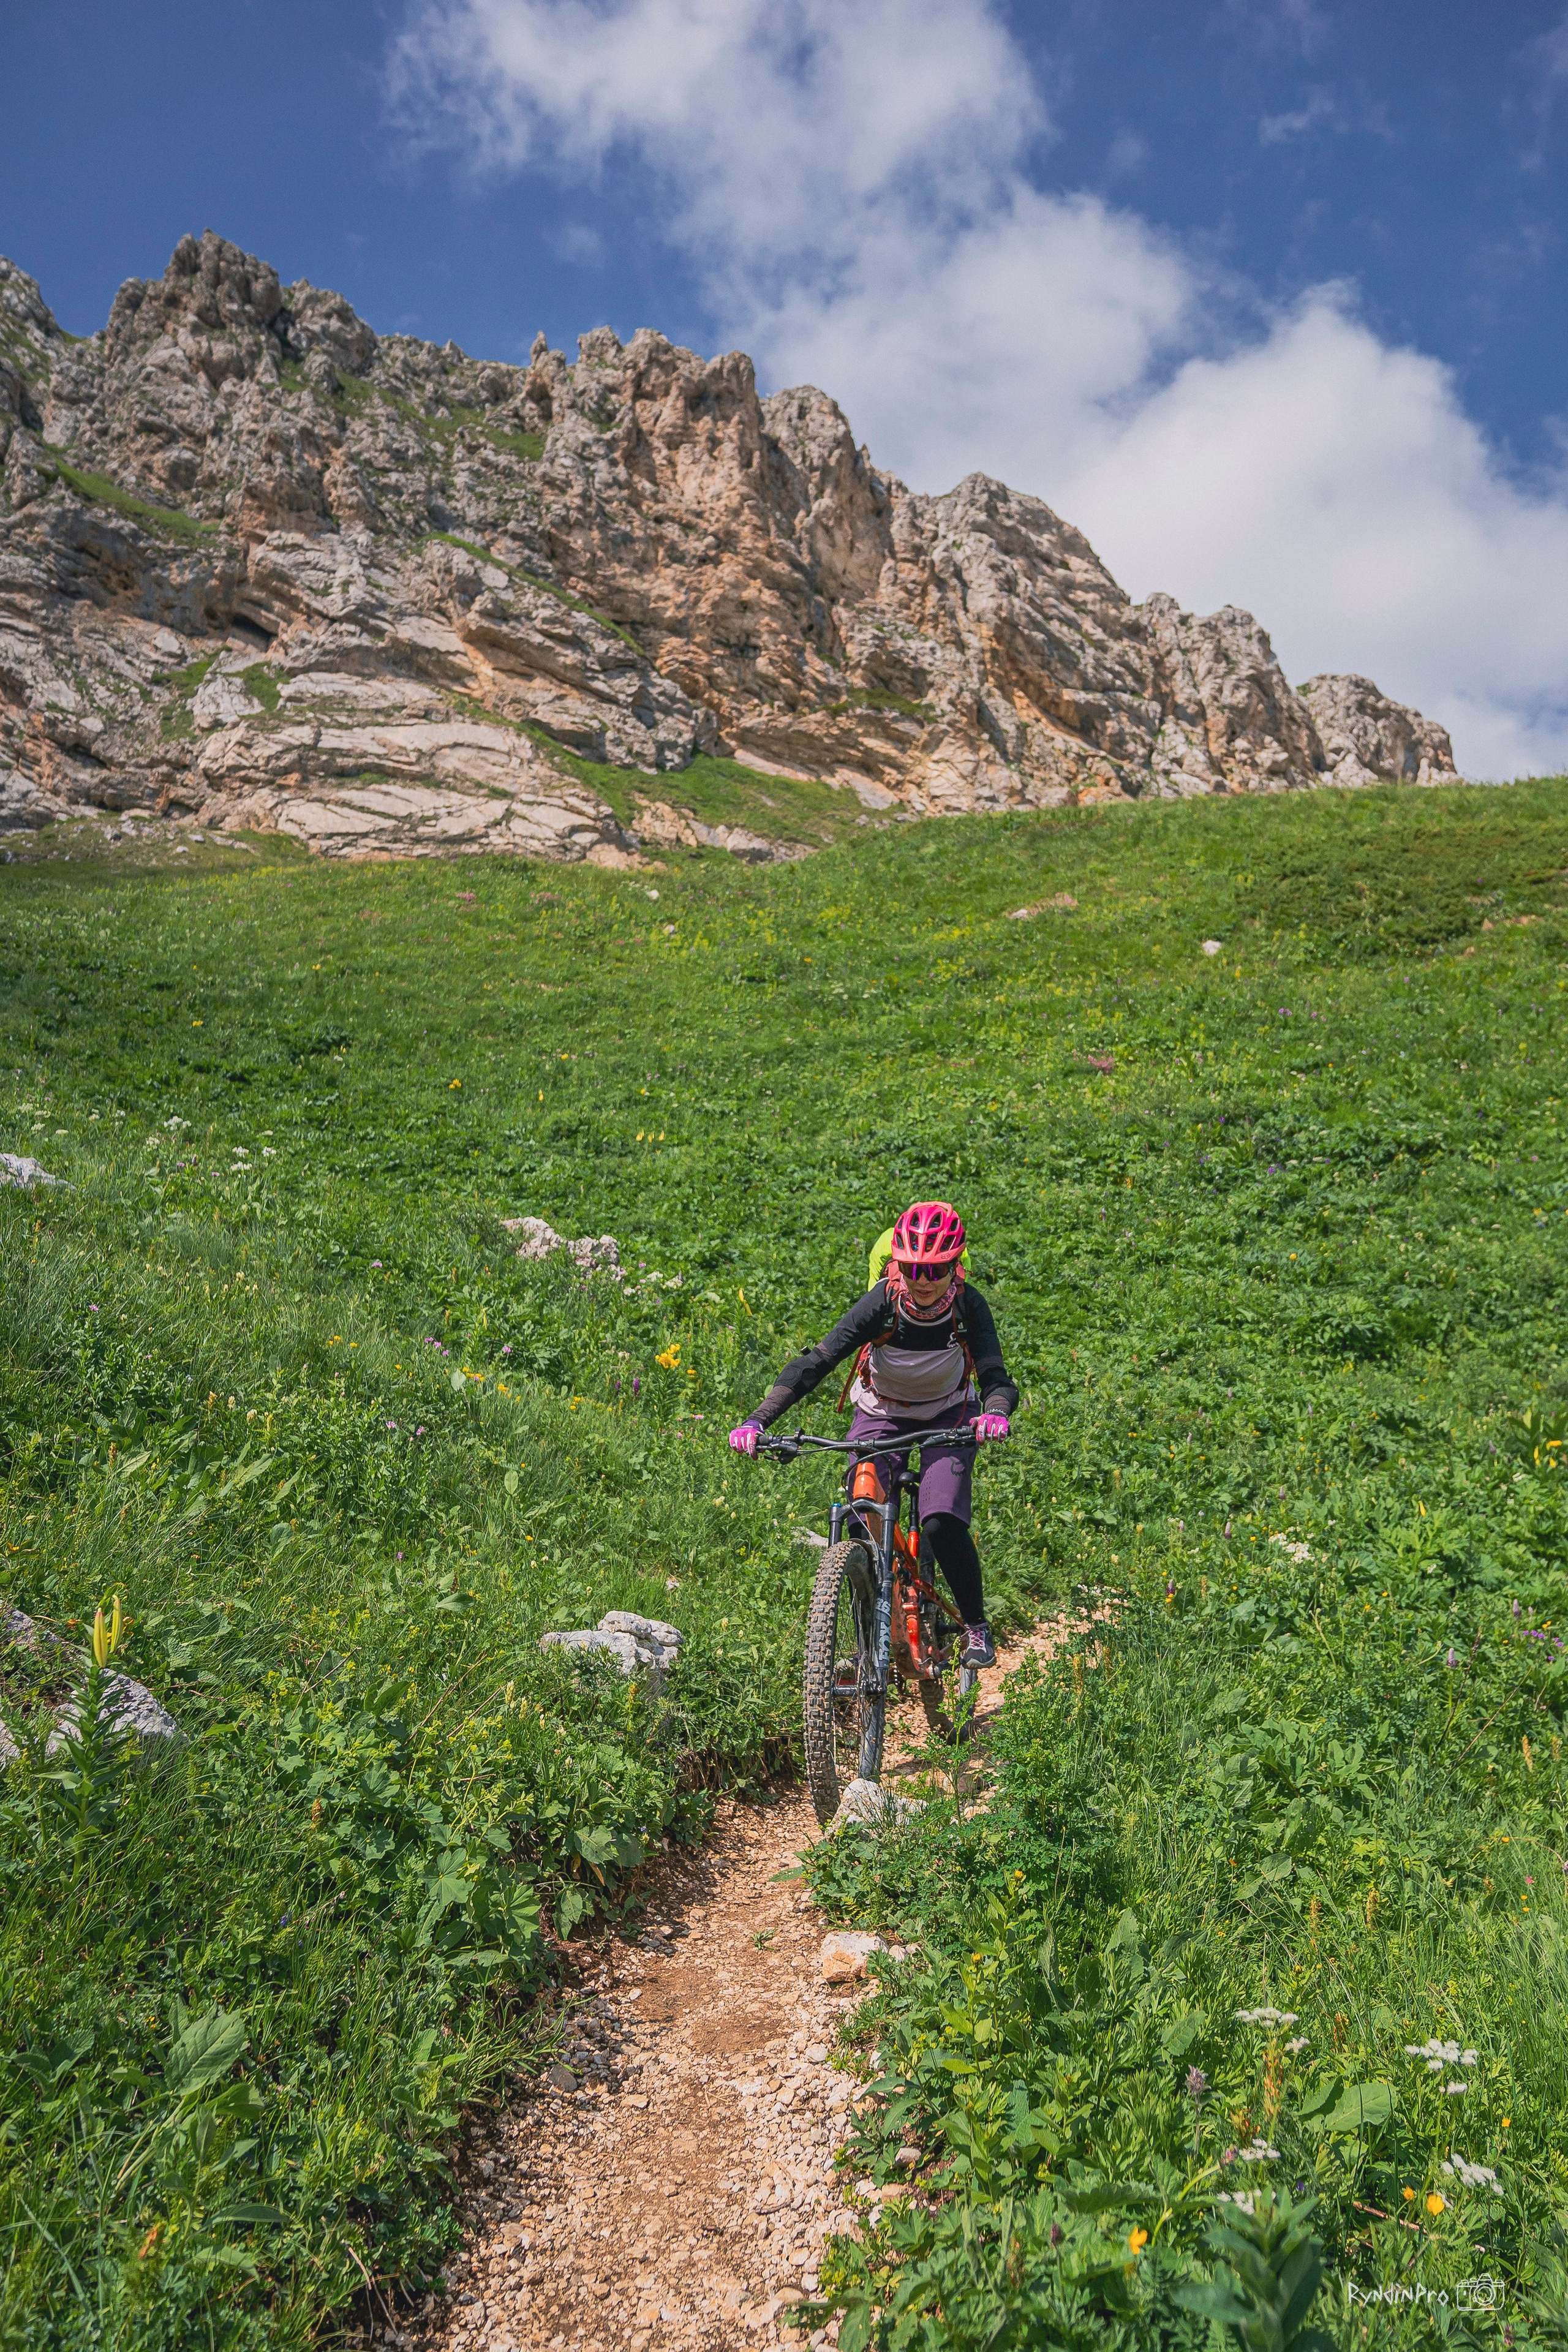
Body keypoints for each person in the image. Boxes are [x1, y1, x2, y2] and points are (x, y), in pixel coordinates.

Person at [728, 1200, 1015, 1669]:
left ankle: (975, 1625)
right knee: (862, 1507)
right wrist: (759, 1420)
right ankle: (875, 1623)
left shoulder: (969, 1305)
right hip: (882, 1411)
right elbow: (818, 1361)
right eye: (914, 1267)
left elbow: (995, 1376)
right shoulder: (881, 1301)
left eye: (937, 1268)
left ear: (955, 1266)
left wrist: (996, 1412)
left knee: (940, 1519)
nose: (924, 1279)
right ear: (898, 1263)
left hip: (951, 1415)